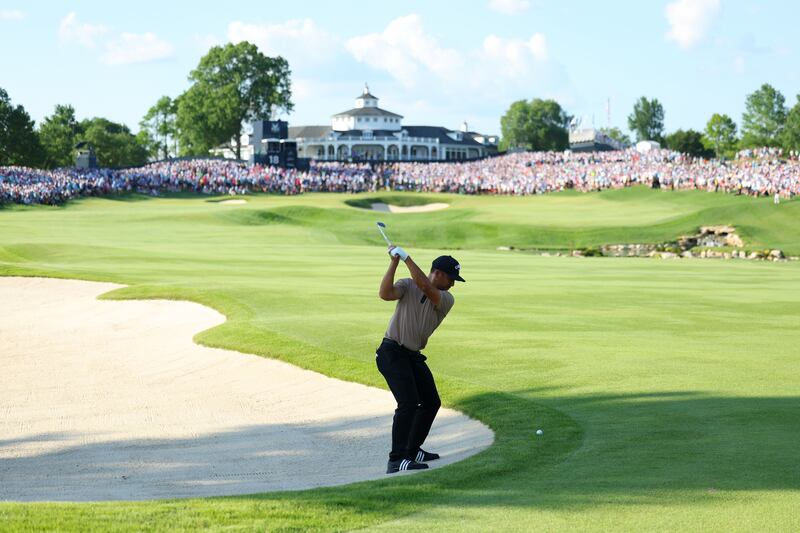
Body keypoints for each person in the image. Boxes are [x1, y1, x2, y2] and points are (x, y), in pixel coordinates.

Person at [376, 244, 465, 473]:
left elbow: (425, 286)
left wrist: (406, 257)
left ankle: (413, 449)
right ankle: (397, 459)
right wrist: (395, 262)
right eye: (451, 278)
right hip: (392, 352)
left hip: (412, 356)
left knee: (430, 401)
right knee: (408, 403)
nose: (453, 283)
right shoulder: (407, 284)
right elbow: (385, 294)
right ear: (438, 273)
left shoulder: (446, 298)